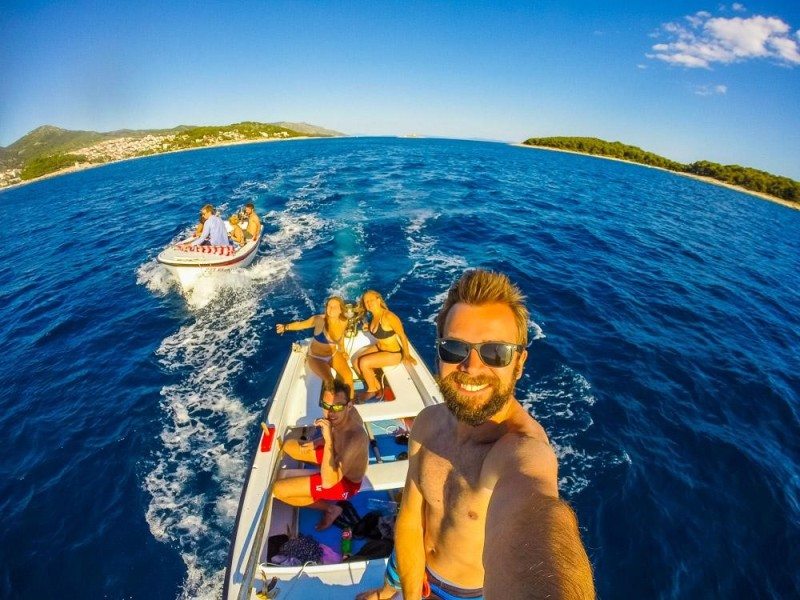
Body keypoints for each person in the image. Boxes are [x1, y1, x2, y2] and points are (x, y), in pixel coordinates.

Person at [357, 269, 595, 600]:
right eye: (454, 349)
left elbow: (537, 517)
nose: (471, 366)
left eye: (495, 352)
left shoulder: (520, 452)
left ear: (520, 362)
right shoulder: (426, 424)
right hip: (412, 561)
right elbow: (411, 519)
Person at [273, 380, 369, 530]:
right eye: (326, 406)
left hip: (344, 482)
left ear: (349, 406)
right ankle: (313, 486)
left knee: (278, 490)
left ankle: (331, 509)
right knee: (289, 446)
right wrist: (318, 442)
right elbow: (334, 435)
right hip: (335, 453)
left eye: (337, 407)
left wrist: (329, 441)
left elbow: (329, 482)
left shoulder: (355, 438)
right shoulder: (338, 417)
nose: (330, 413)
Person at [276, 296, 355, 400]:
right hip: (316, 358)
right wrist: (285, 327)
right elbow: (301, 324)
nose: (330, 309)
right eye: (328, 306)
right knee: (329, 380)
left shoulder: (343, 322)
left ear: (341, 309)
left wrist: (342, 350)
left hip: (333, 354)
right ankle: (331, 406)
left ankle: (350, 403)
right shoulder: (319, 320)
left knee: (348, 376)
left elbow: (340, 338)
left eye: (334, 306)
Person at [353, 290, 416, 402]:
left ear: (378, 300)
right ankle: (378, 388)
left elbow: (402, 336)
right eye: (366, 301)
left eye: (371, 300)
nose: (368, 303)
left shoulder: (388, 316)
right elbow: (380, 331)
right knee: (355, 361)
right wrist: (369, 327)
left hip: (393, 353)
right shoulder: (374, 316)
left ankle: (372, 390)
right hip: (380, 347)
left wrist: (407, 355)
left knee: (364, 363)